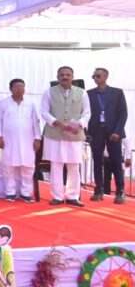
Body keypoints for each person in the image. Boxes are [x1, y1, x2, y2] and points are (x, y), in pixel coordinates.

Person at [40, 66, 90, 207]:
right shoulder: (49, 92)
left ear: (72, 77)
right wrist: (56, 122)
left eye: (68, 74)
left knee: (74, 165)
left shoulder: (82, 93)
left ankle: (73, 196)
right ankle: (57, 196)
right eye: (62, 75)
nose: (65, 77)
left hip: (75, 134)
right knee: (56, 165)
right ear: (58, 77)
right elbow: (44, 111)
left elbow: (87, 113)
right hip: (54, 134)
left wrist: (79, 124)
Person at [86, 67, 128, 204]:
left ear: (106, 77)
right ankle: (98, 190)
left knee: (116, 162)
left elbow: (123, 113)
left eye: (98, 76)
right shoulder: (88, 94)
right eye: (93, 76)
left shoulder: (117, 92)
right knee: (97, 162)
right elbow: (84, 113)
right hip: (96, 131)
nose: (95, 78)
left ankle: (120, 191)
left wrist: (117, 131)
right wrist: (86, 132)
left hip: (113, 132)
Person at [0, 79, 41, 203]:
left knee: (28, 166)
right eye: (16, 86)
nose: (20, 89)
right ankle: (10, 192)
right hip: (8, 140)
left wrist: (37, 138)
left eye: (22, 86)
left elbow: (35, 122)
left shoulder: (30, 104)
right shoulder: (3, 103)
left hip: (28, 140)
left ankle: (26, 193)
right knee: (8, 166)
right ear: (10, 89)